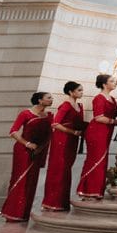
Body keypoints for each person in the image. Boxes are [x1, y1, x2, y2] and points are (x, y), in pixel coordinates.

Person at [0, 92, 53, 222]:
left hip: (37, 151)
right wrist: (27, 144)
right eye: (49, 98)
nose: (52, 100)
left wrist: (40, 148)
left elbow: (49, 135)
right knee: (20, 180)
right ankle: (13, 213)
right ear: (40, 100)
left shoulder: (49, 116)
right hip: (23, 150)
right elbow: (13, 131)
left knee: (31, 182)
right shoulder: (26, 113)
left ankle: (24, 213)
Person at [42, 81, 85, 211]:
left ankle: (61, 202)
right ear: (71, 92)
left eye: (82, 90)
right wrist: (73, 132)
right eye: (79, 90)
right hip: (62, 140)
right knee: (58, 169)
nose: (82, 92)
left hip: (72, 140)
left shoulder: (79, 106)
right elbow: (55, 124)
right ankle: (52, 202)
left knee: (66, 170)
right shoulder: (66, 105)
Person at [78, 74, 117, 200]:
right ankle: (87, 191)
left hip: (106, 131)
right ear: (104, 84)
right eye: (112, 81)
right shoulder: (99, 98)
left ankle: (96, 191)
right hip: (96, 131)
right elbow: (99, 117)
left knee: (102, 160)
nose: (115, 83)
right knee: (95, 159)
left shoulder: (112, 99)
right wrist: (115, 122)